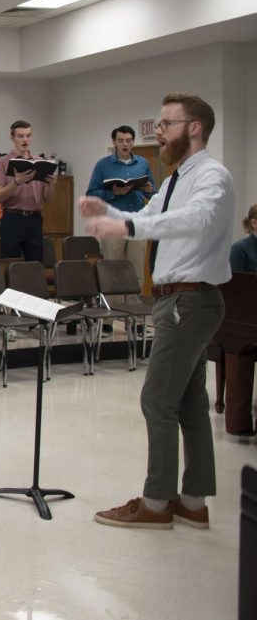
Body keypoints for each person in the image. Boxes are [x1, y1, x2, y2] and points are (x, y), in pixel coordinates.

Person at [82, 93, 233, 530]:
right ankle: (192, 500)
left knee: (156, 400)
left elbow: (196, 220)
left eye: (166, 124)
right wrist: (109, 212)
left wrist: (127, 225)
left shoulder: (211, 177)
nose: (159, 133)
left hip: (190, 299)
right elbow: (149, 212)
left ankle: (155, 503)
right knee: (187, 401)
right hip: (177, 298)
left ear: (195, 128)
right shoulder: (174, 179)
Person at [86, 125, 153, 281]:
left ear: (133, 143)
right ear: (114, 142)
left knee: (136, 271)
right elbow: (90, 195)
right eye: (121, 141)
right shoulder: (103, 165)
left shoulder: (142, 163)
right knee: (112, 270)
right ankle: (114, 305)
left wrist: (149, 189)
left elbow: (153, 192)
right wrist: (112, 193)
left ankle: (135, 304)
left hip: (137, 221)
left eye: (128, 141)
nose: (125, 144)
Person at [0, 120, 55, 263]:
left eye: (28, 135)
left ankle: (32, 286)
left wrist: (50, 184)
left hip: (34, 218)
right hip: (12, 218)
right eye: (20, 136)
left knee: (35, 264)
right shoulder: (3, 162)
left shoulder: (40, 161)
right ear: (12, 138)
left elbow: (49, 199)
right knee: (9, 263)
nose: (25, 140)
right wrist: (16, 182)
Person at [223, 202, 257, 437]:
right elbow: (234, 289)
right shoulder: (240, 249)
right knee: (240, 352)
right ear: (254, 222)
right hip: (241, 318)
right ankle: (239, 422)